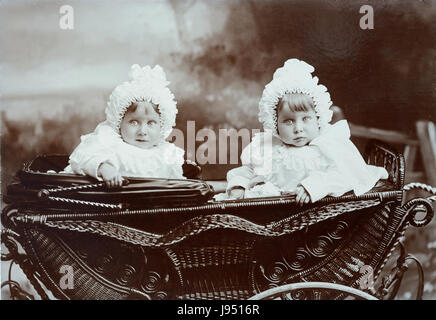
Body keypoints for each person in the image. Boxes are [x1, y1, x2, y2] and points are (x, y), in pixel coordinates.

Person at [218, 58, 388, 205]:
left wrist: (314, 186)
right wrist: (239, 185)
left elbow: (346, 175)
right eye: (288, 121)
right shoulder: (268, 148)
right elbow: (248, 171)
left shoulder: (328, 146)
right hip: (271, 214)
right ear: (275, 123)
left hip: (317, 216)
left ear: (318, 118)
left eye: (306, 119)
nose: (298, 128)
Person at [63, 64, 185, 187]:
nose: (142, 131)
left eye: (151, 123)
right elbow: (82, 159)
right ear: (119, 122)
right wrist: (104, 168)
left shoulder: (165, 154)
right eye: (134, 122)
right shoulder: (110, 143)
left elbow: (178, 184)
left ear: (162, 126)